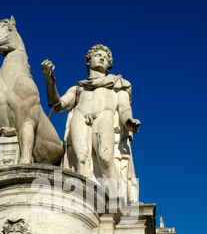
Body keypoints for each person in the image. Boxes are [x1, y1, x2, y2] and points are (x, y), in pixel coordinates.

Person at [41, 45, 140, 185]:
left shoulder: (118, 84)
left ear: (108, 66)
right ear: (88, 61)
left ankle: (116, 202)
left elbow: (125, 108)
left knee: (105, 158)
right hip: (80, 117)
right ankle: (87, 202)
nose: (102, 58)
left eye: (105, 58)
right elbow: (57, 106)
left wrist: (128, 121)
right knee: (82, 160)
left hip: (104, 116)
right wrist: (50, 81)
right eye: (98, 55)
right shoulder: (79, 88)